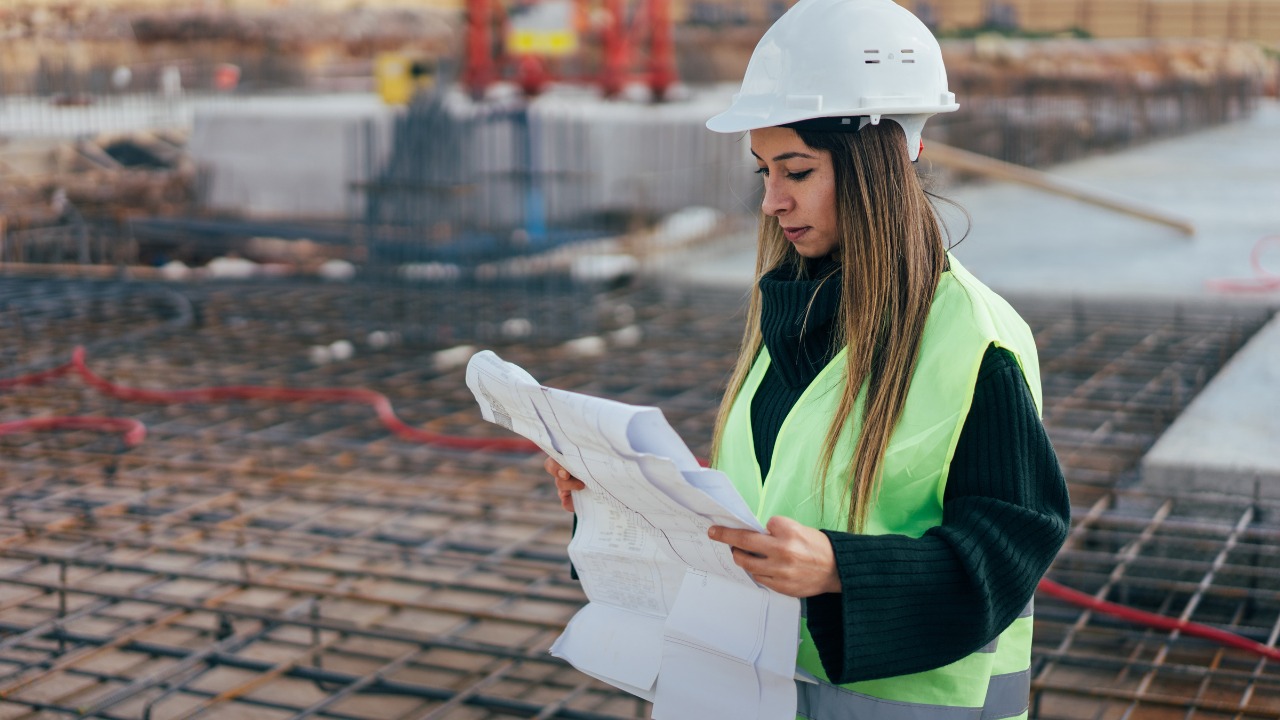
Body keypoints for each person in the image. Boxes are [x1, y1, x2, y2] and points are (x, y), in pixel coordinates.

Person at [547, 0, 1070, 716]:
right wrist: (628, 495)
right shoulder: (790, 315)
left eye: (795, 170)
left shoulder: (975, 339)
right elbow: (773, 502)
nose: (771, 201)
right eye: (764, 170)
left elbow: (1012, 545)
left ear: (875, 162)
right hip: (753, 686)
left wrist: (840, 573)